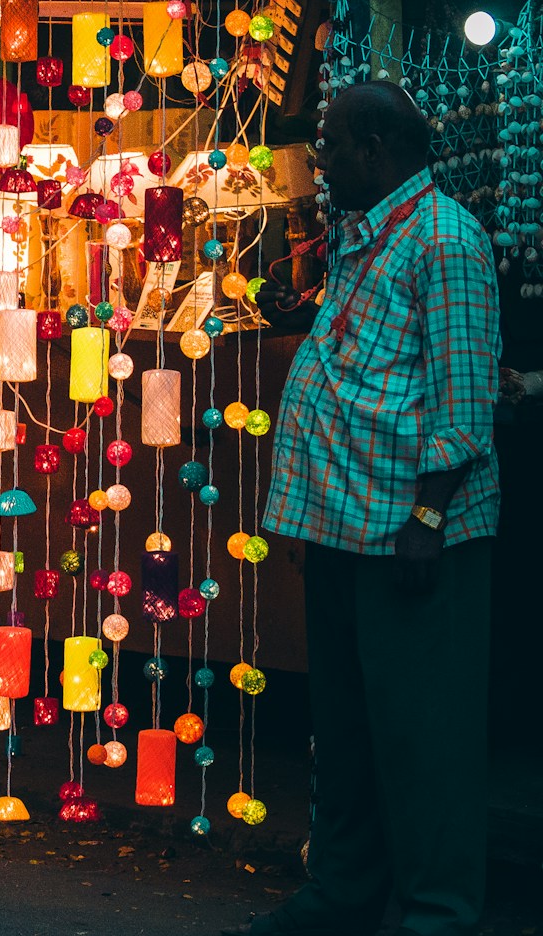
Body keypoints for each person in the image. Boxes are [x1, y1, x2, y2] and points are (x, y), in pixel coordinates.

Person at [232, 82, 500, 936]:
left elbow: (462, 407)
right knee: (343, 734)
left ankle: (436, 911)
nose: (321, 161)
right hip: (344, 530)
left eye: (333, 144)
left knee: (425, 737)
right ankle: (343, 893)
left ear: (377, 146)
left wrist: (426, 523)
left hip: (411, 538)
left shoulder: (445, 240)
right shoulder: (363, 237)